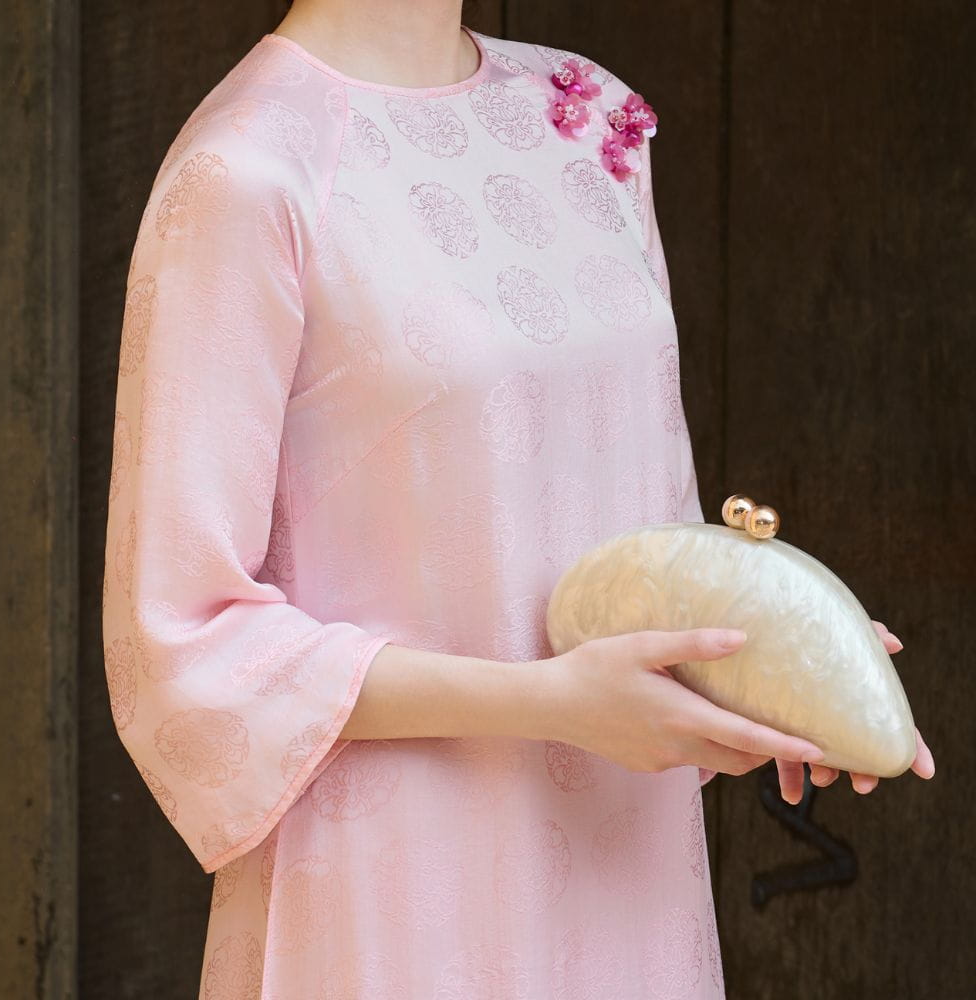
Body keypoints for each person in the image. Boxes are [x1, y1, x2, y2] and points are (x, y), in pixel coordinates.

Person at [101, 1, 935, 995]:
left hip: (624, 866)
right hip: (403, 888)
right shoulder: (246, 170)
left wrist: (771, 655)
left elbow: (641, 527)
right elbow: (184, 642)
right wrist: (551, 704)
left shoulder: (581, 115)